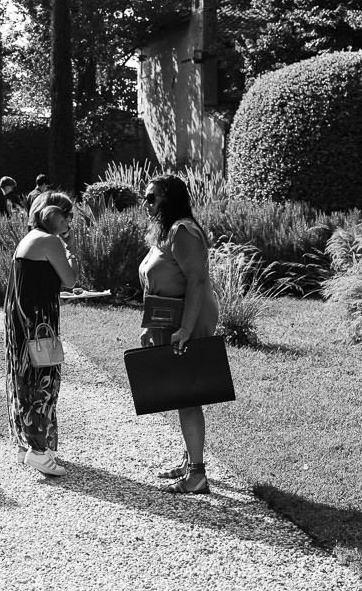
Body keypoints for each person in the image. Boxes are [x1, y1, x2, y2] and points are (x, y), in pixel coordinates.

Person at [139, 174, 220, 494]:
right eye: (145, 197)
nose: (146, 203)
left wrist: (186, 328)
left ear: (169, 199)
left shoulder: (183, 231)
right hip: (170, 318)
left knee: (188, 397)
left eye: (152, 197)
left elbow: (197, 281)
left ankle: (197, 475)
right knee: (181, 394)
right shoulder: (165, 232)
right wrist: (151, 325)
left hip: (189, 319)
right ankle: (190, 461)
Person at [6, 191, 78, 477]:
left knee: (23, 378)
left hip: (23, 322)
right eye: (67, 215)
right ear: (53, 215)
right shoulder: (50, 241)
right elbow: (71, 279)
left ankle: (26, 445)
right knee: (43, 381)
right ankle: (39, 451)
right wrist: (71, 252)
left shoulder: (30, 239)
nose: (71, 221)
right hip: (39, 323)